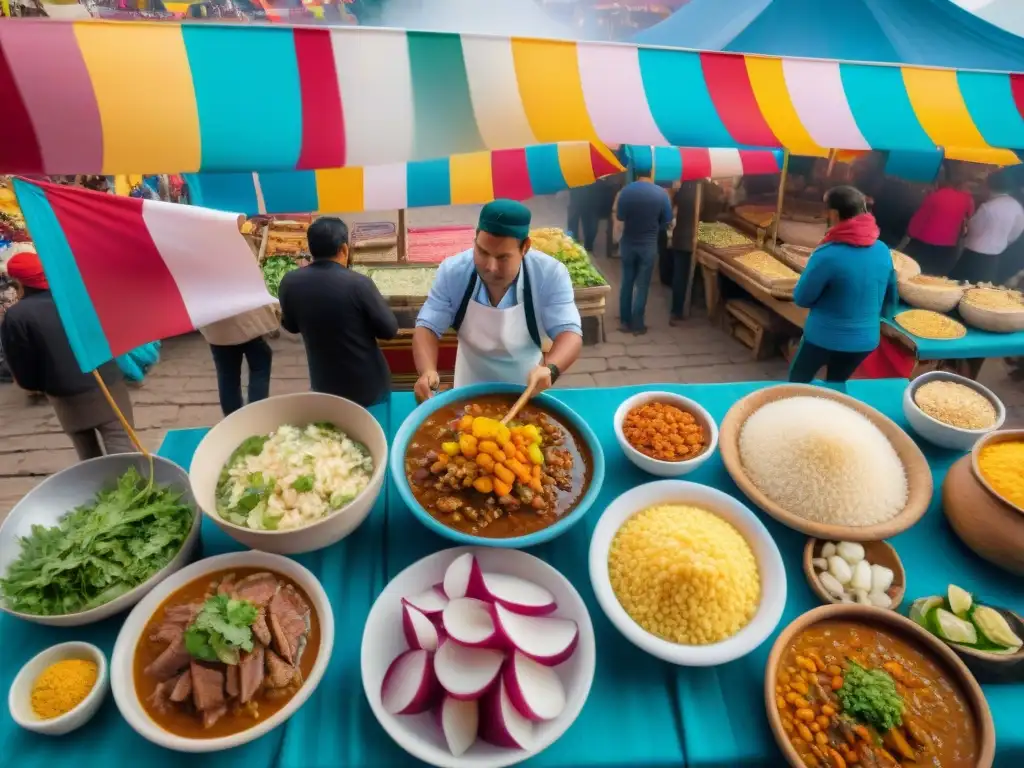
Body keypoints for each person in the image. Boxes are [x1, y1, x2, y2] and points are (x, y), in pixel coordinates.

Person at [412, 199, 582, 400]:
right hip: (468, 384)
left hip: (526, 387)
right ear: (475, 240)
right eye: (483, 252)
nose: (490, 267)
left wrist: (550, 369)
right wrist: (427, 371)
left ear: (525, 247)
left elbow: (570, 333)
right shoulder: (453, 271)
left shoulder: (550, 274)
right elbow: (427, 327)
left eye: (503, 258)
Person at [0, 251, 136, 459]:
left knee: (89, 455)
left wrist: (35, 385)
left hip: (65, 394)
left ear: (18, 282)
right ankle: (135, 488)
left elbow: (22, 365)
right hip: (107, 381)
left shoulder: (17, 315)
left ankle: (99, 487)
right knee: (122, 445)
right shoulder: (79, 296)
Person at [278, 217, 399, 407]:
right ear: (343, 249)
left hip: (324, 384)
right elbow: (389, 330)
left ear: (311, 249)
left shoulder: (289, 282)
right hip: (368, 385)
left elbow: (291, 326)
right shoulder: (359, 284)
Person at [790, 186, 898, 384]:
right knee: (836, 385)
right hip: (865, 341)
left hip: (823, 337)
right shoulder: (883, 250)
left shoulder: (827, 254)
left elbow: (801, 298)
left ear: (834, 213)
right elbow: (891, 296)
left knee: (798, 383)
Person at [615, 171, 672, 335]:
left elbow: (620, 217)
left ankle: (625, 321)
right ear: (652, 174)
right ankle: (638, 324)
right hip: (648, 245)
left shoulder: (626, 191)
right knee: (642, 285)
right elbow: (667, 221)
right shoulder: (661, 194)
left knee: (626, 282)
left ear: (637, 175)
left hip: (628, 243)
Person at [199, 304, 280, 416]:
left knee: (227, 375)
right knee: (260, 366)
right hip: (246, 323)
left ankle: (232, 419)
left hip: (216, 329)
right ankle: (256, 414)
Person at [899, 167, 975, 276]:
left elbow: (920, 219)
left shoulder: (934, 196)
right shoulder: (967, 198)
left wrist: (910, 233)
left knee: (914, 273)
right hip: (948, 246)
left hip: (924, 243)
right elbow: (970, 215)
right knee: (936, 275)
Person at [951, 172, 1024, 284]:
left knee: (957, 282)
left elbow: (973, 227)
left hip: (974, 252)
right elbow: (1017, 231)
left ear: (989, 186)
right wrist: (1003, 240)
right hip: (995, 255)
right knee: (982, 287)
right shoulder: (1016, 207)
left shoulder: (988, 207)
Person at [668, 180, 701, 325]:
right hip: (699, 238)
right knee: (692, 275)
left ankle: (677, 310)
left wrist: (672, 192)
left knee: (679, 276)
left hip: (681, 237)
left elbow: (670, 208)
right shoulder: (711, 190)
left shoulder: (681, 189)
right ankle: (692, 304)